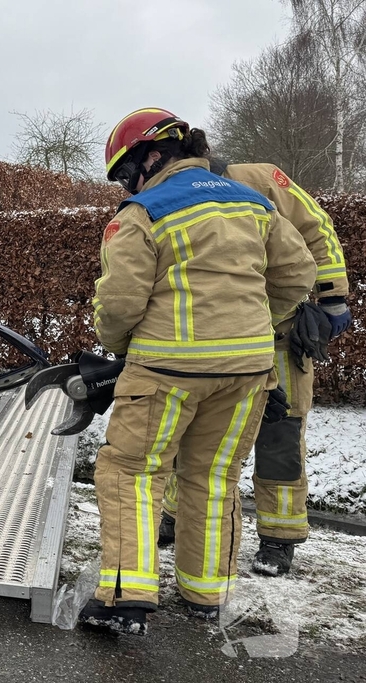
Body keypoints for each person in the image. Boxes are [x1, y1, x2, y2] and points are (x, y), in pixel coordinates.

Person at [80, 108, 316, 635]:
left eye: (125, 173)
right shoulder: (254, 203)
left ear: (152, 156)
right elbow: (300, 273)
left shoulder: (142, 213)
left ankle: (126, 599)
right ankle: (205, 595)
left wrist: (119, 348)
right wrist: (256, 326)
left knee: (131, 473)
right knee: (213, 479)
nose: (126, 186)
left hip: (165, 372)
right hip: (248, 373)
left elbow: (118, 305)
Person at [159, 159, 350, 577]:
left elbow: (316, 225)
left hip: (278, 333)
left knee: (280, 432)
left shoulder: (260, 179)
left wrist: (332, 295)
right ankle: (175, 514)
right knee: (194, 430)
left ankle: (279, 536)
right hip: (214, 339)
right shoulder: (166, 196)